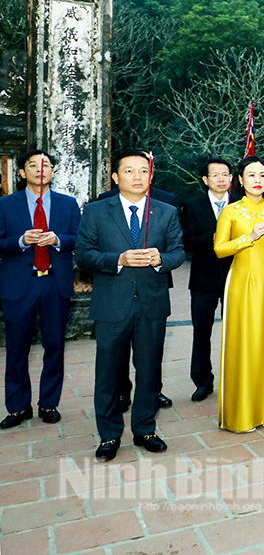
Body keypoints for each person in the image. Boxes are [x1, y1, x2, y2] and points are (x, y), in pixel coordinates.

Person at [77, 149, 186, 461]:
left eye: (143, 171)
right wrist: (118, 260)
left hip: (152, 304)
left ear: (151, 176)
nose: (137, 177)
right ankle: (109, 435)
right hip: (112, 304)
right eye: (129, 171)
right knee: (109, 374)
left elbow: (178, 251)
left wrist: (161, 260)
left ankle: (145, 429)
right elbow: (84, 254)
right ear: (116, 177)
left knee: (149, 371)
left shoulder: (165, 212)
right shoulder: (97, 211)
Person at [0, 150, 80, 429]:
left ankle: (49, 403)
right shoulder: (5, 204)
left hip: (54, 283)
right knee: (17, 348)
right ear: (22, 172)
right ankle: (17, 407)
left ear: (53, 171)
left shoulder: (68, 204)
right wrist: (21, 240)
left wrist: (58, 239)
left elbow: (79, 239)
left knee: (55, 346)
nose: (39, 170)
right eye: (32, 165)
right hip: (19, 285)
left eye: (45, 165)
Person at [214, 156, 264, 433]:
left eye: (262, 175)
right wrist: (249, 237)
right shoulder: (231, 211)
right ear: (240, 180)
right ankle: (242, 412)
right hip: (241, 283)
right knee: (244, 342)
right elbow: (219, 249)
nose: (257, 180)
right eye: (251, 175)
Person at [179, 157, 233, 403]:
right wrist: (214, 238)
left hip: (236, 275)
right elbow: (187, 240)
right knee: (202, 331)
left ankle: (236, 378)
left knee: (237, 331)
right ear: (205, 179)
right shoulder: (192, 205)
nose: (221, 179)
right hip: (204, 278)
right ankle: (202, 381)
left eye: (226, 175)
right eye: (216, 175)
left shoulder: (241, 205)